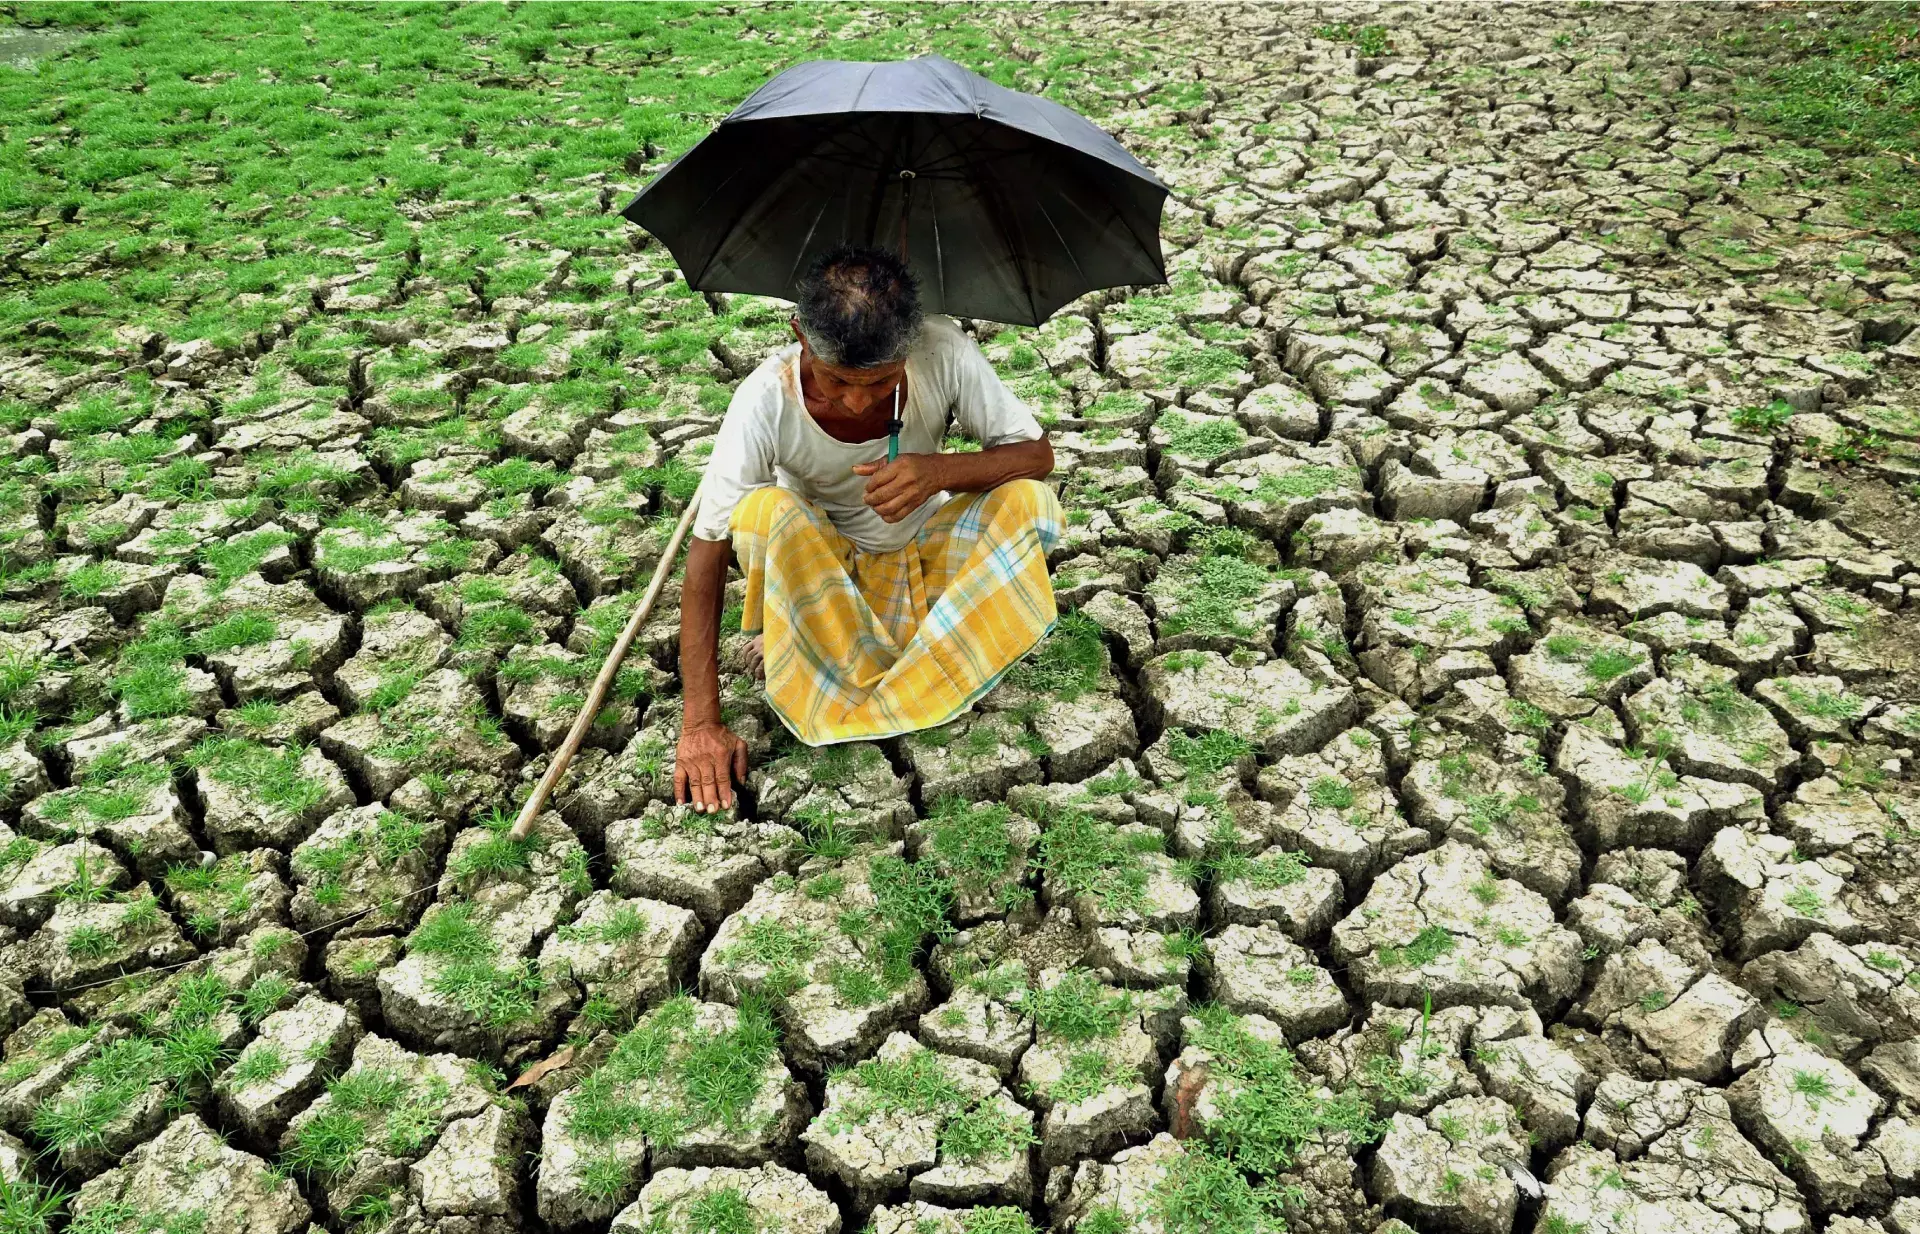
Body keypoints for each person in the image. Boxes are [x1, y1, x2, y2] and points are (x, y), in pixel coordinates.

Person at [674, 244, 1061, 812]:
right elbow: (706, 558)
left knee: (1031, 504)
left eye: (880, 385)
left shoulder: (944, 350)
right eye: (837, 381)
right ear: (800, 337)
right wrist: (701, 721)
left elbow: (1037, 455)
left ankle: (887, 652)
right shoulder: (764, 399)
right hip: (827, 582)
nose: (857, 403)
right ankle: (842, 646)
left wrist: (938, 472)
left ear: (912, 346)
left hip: (925, 561)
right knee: (764, 513)